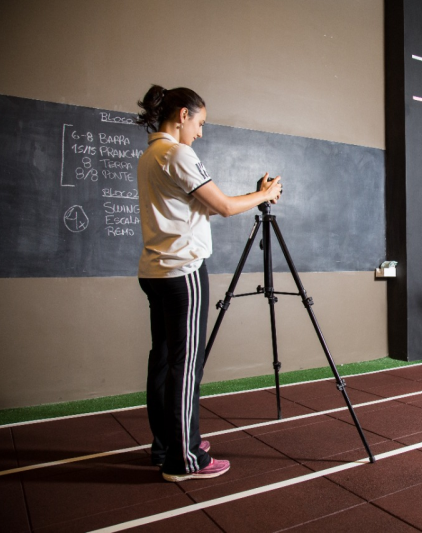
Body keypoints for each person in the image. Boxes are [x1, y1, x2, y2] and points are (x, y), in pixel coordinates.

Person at [135, 85, 282, 482]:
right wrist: (264, 194)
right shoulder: (178, 153)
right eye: (199, 122)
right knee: (186, 368)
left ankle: (166, 445)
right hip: (183, 274)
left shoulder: (151, 155)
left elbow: (197, 209)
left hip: (155, 272)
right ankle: (185, 458)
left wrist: (253, 194)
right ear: (182, 115)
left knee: (164, 361)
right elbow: (224, 207)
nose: (200, 132)